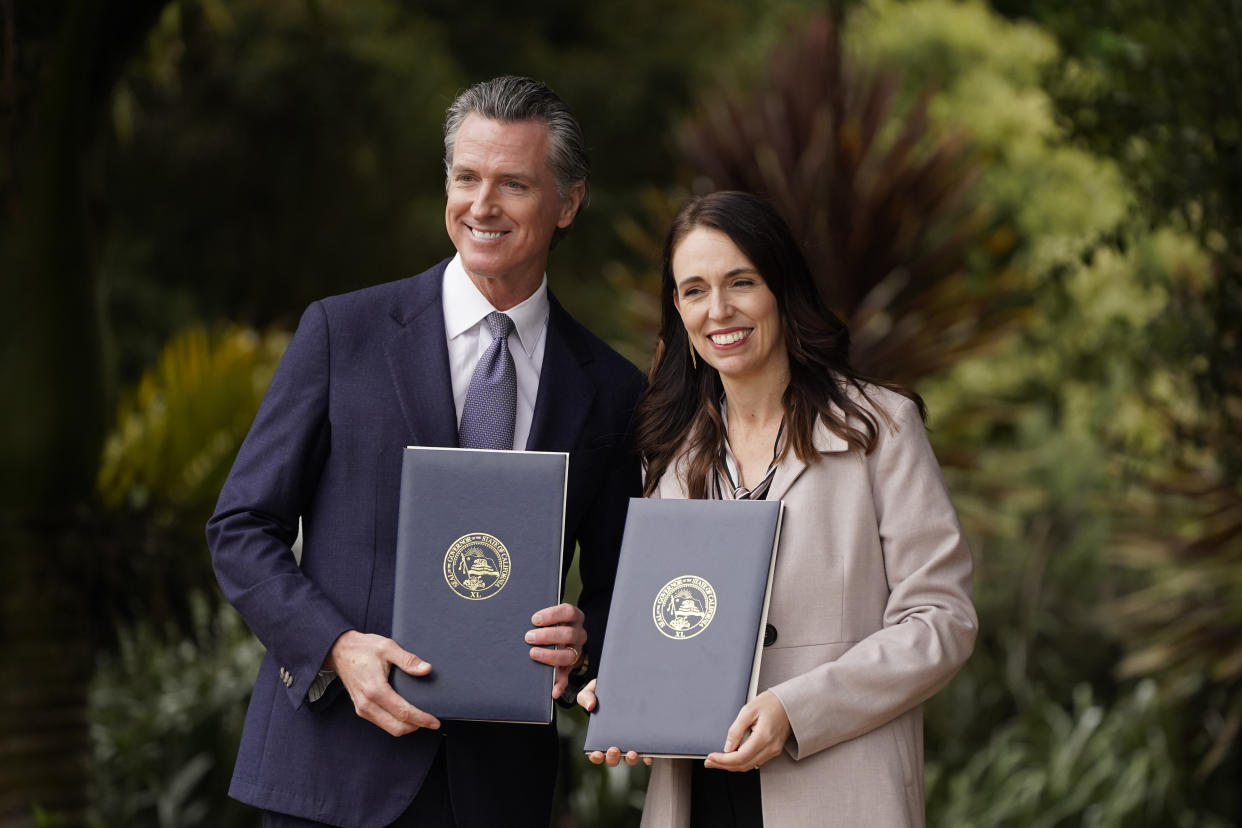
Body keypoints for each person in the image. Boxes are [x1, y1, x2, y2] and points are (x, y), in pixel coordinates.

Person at [207, 76, 645, 828]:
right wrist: (336, 647)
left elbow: (620, 590)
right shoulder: (341, 334)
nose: (482, 205)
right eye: (466, 177)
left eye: (514, 183)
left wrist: (587, 637)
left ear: (568, 203)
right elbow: (241, 530)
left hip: (496, 790)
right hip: (328, 770)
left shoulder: (609, 388)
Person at [577, 191, 977, 827]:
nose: (720, 310)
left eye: (742, 282)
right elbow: (670, 621)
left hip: (841, 791)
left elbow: (941, 620)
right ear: (676, 310)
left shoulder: (879, 429)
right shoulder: (671, 458)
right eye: (694, 290)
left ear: (781, 288)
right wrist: (627, 686)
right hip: (697, 800)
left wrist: (799, 708)